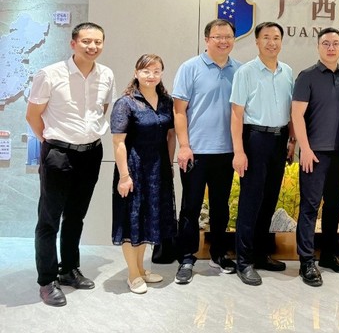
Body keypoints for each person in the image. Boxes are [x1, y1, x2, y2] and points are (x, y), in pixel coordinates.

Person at [26, 22, 116, 307]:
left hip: (91, 153)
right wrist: (50, 141)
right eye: (87, 41)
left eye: (98, 42)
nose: (93, 46)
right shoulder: (50, 74)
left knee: (76, 216)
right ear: (73, 43)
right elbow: (33, 115)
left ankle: (69, 269)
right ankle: (47, 280)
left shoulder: (106, 75)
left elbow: (102, 110)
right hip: (58, 153)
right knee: (49, 220)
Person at [173, 19, 242, 285]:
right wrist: (184, 146)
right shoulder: (190, 68)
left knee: (220, 207)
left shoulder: (240, 70)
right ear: (207, 39)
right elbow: (179, 111)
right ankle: (186, 258)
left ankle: (218, 254)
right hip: (196, 152)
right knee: (190, 207)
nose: (223, 41)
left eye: (228, 37)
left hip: (226, 152)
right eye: (217, 37)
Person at [230, 22, 295, 286]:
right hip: (255, 138)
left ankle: (259, 254)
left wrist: (292, 140)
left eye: (276, 37)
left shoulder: (287, 72)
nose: (271, 42)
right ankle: (243, 261)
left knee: (269, 200)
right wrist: (239, 150)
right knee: (251, 201)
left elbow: (290, 110)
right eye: (266, 37)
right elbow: (236, 114)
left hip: (280, 140)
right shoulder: (245, 72)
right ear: (257, 42)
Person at [111, 54, 177, 294]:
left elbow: (171, 135)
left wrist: (168, 165)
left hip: (158, 169)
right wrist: (124, 176)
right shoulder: (126, 103)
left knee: (148, 219)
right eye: (146, 71)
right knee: (132, 220)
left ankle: (141, 269)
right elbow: (118, 142)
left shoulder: (166, 101)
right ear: (136, 72)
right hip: (133, 168)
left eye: (156, 71)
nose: (151, 76)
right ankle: (132, 274)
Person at [292, 27, 339, 286]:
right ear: (318, 46)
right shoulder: (307, 76)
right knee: (309, 207)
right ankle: (306, 260)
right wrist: (304, 149)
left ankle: (328, 254)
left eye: (336, 43)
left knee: (334, 205)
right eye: (326, 43)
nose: (331, 47)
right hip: (313, 154)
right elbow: (296, 115)